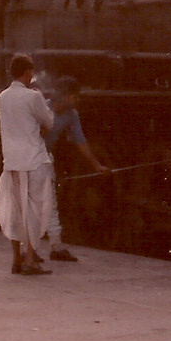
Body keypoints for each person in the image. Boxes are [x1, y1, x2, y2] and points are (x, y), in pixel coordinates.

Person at [0, 53, 54, 276]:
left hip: (11, 160)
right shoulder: (33, 96)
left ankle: (16, 259)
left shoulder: (3, 97)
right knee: (35, 210)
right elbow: (48, 121)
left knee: (15, 210)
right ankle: (30, 259)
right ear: (28, 71)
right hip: (34, 159)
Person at [42, 76, 109, 262]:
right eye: (74, 96)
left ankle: (56, 246)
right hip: (31, 158)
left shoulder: (71, 114)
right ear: (63, 95)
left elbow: (80, 141)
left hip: (46, 157)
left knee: (50, 202)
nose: (77, 100)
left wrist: (96, 165)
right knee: (33, 202)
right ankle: (27, 251)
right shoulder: (43, 108)